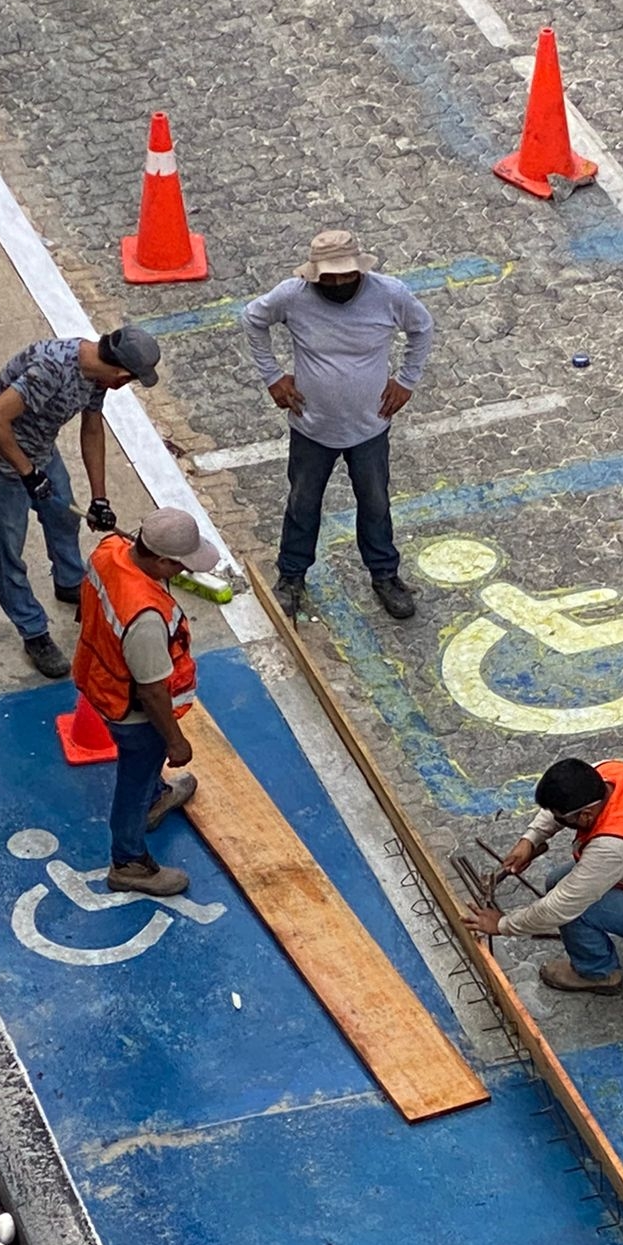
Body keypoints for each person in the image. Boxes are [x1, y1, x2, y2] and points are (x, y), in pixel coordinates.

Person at [241, 229, 434, 621]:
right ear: (315, 275)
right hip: (312, 428)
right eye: (331, 277)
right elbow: (252, 319)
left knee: (376, 502)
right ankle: (291, 577)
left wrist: (407, 381)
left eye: (348, 275)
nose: (341, 282)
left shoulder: (389, 294)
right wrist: (273, 376)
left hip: (370, 428)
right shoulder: (292, 296)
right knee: (303, 503)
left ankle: (385, 575)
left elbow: (422, 328)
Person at [0, 327, 162, 678]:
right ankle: (33, 630)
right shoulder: (51, 370)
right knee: (8, 548)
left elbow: (92, 428)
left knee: (63, 518)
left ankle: (69, 581)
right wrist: (28, 473)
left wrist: (99, 497)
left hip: (41, 453)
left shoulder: (96, 377)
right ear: (121, 376)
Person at [462, 758, 623, 995]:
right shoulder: (610, 773)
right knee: (556, 882)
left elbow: (561, 907)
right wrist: (530, 840)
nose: (558, 820)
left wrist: (502, 925)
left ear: (585, 815)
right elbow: (558, 810)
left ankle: (598, 974)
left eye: (563, 819)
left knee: (576, 908)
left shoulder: (612, 849)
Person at [72, 507, 219, 897]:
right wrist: (175, 741)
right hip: (133, 713)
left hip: (100, 680)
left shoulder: (109, 551)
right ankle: (129, 862)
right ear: (160, 559)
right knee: (134, 782)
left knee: (143, 776)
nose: (183, 573)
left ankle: (156, 797)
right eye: (180, 566)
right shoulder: (146, 618)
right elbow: (153, 692)